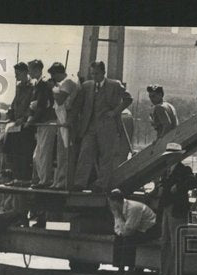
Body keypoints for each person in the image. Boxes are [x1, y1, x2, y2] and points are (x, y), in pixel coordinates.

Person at [73, 61, 133, 192]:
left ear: (103, 72)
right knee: (85, 152)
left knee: (106, 156)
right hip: (90, 127)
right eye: (92, 73)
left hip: (107, 126)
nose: (94, 76)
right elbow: (79, 104)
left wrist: (115, 112)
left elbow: (128, 99)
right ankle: (80, 183)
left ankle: (102, 184)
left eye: (97, 73)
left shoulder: (115, 85)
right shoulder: (87, 86)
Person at [155, 144, 196, 275]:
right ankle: (164, 273)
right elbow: (162, 187)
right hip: (167, 209)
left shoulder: (184, 170)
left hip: (177, 209)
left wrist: (178, 187)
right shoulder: (166, 172)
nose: (168, 159)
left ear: (177, 157)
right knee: (165, 241)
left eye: (170, 156)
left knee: (176, 243)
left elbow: (193, 182)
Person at [108, 188, 157, 275]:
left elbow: (131, 228)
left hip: (151, 229)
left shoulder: (133, 208)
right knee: (118, 239)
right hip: (137, 228)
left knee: (130, 239)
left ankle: (130, 269)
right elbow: (117, 226)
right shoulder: (116, 209)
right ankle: (120, 268)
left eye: (110, 202)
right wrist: (120, 233)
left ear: (115, 202)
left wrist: (123, 233)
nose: (109, 204)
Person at [49, 62, 79, 190]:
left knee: (65, 152)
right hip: (63, 119)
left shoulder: (68, 82)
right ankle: (60, 180)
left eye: (54, 75)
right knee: (62, 152)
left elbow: (60, 99)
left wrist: (52, 88)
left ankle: (63, 181)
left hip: (67, 119)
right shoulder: (67, 81)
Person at [27, 59, 57, 189]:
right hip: (41, 122)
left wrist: (31, 121)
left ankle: (45, 180)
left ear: (37, 70)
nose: (29, 72)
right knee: (38, 153)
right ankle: (40, 179)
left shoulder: (43, 84)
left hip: (46, 121)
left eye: (30, 70)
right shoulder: (38, 84)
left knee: (44, 152)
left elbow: (42, 105)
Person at [5, 62, 35, 183]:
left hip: (25, 125)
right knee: (13, 152)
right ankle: (16, 176)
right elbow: (15, 103)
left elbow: (32, 105)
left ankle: (23, 177)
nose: (16, 76)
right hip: (16, 125)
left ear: (25, 73)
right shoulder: (19, 86)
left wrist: (23, 118)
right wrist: (10, 114)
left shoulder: (32, 86)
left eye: (18, 74)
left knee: (24, 153)